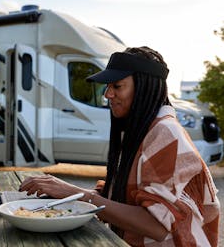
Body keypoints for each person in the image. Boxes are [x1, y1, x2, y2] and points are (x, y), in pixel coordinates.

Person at [19, 46, 220, 246]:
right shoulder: (143, 128)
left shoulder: (165, 133)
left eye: (117, 86)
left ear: (144, 87)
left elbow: (155, 224)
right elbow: (122, 197)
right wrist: (62, 192)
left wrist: (75, 193)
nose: (107, 94)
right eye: (108, 87)